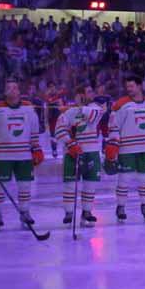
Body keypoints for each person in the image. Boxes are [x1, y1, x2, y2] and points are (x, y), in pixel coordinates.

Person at [0, 79, 44, 229]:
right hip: (3, 156)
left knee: (25, 186)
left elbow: (34, 132)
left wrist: (36, 148)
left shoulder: (29, 108)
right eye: (9, 88)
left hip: (24, 156)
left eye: (15, 87)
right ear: (5, 92)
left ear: (19, 91)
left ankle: (25, 212)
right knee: (0, 187)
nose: (12, 90)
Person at [107, 75, 145, 222]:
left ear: (139, 86)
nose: (129, 89)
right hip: (127, 148)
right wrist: (113, 144)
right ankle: (120, 207)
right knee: (124, 179)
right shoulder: (121, 104)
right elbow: (113, 126)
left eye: (132, 86)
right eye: (127, 87)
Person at [55, 84, 105, 225]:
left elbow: (93, 117)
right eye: (88, 92)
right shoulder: (68, 112)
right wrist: (70, 143)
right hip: (72, 152)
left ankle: (87, 211)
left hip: (91, 151)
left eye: (91, 91)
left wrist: (79, 107)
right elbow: (59, 130)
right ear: (79, 95)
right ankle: (69, 212)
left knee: (90, 183)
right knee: (70, 184)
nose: (91, 94)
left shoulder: (96, 107)